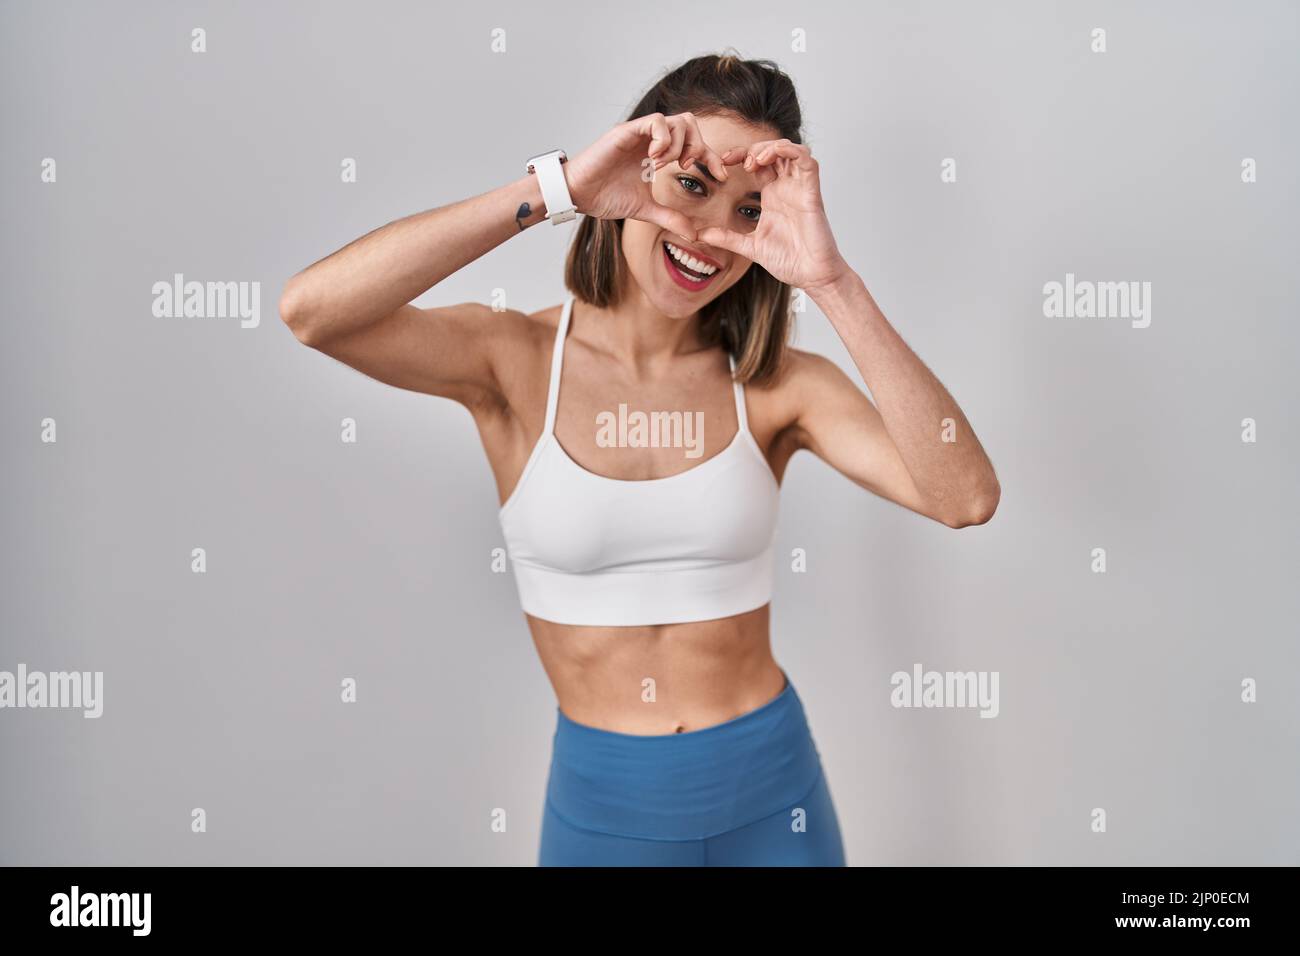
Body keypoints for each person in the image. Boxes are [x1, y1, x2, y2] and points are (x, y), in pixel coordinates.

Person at [278, 53, 1000, 866]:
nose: (705, 234)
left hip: (772, 799)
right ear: (635, 169)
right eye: (692, 186)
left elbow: (963, 496)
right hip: (605, 810)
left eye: (748, 209)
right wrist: (559, 191)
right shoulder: (511, 362)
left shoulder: (775, 385)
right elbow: (312, 312)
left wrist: (831, 282)